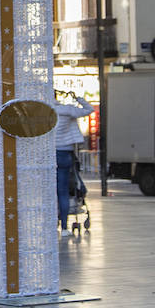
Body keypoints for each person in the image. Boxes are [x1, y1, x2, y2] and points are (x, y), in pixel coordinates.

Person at [50, 93, 95, 232]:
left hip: (49, 154)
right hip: (65, 153)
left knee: (50, 190)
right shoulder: (67, 110)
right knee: (63, 190)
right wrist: (78, 98)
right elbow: (89, 109)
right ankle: (64, 227)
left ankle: (52, 223)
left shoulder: (44, 111)